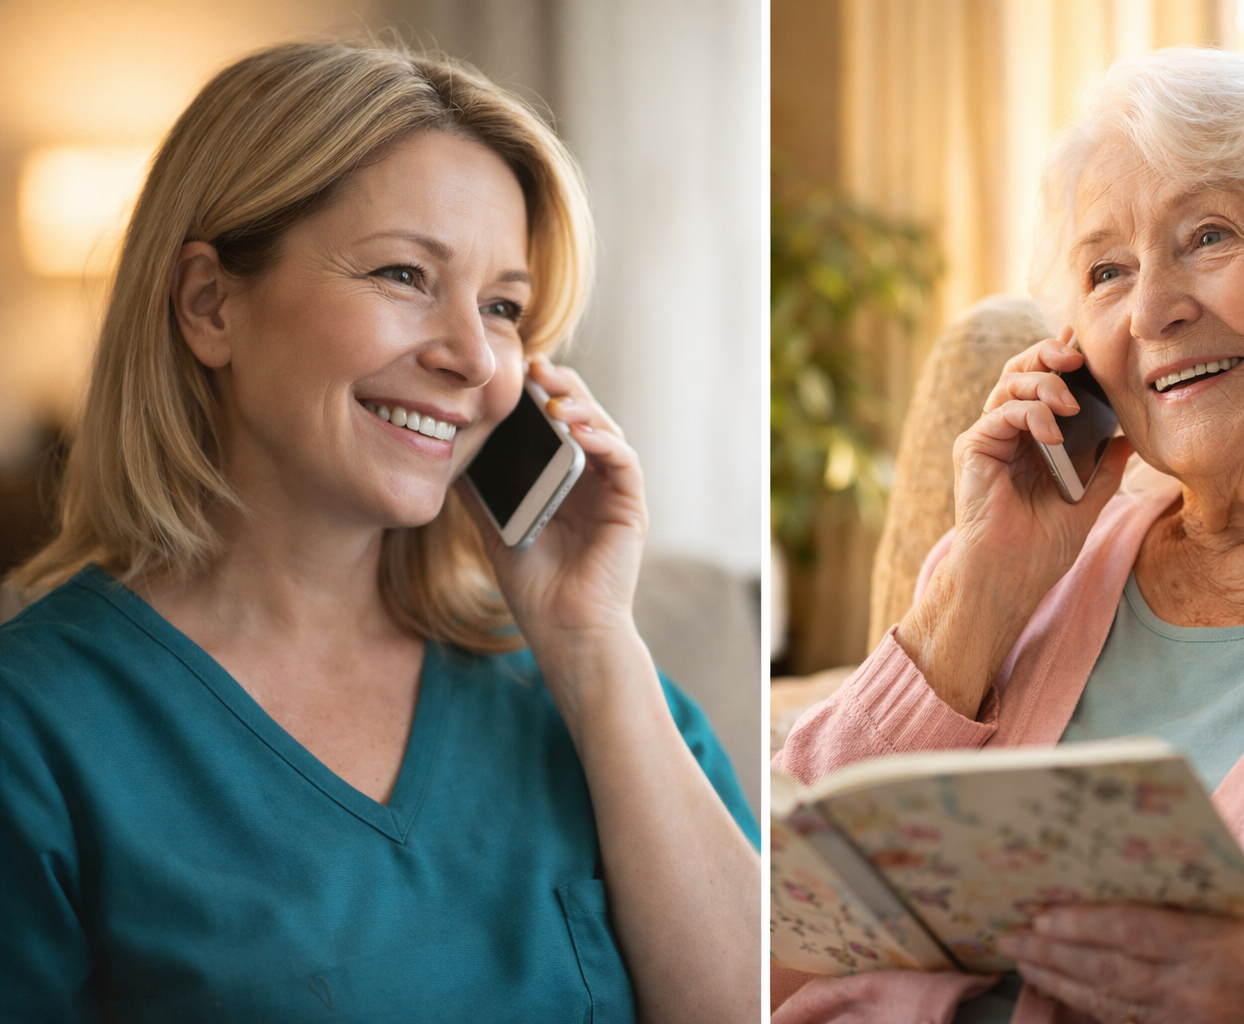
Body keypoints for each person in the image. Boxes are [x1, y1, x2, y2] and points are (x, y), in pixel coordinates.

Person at [773, 47, 1244, 1024]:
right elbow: (773, 949)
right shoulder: (1012, 572)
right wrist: (976, 591)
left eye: (1208, 234)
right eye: (1108, 270)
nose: (1150, 310)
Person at [0, 42, 758, 1024]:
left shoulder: (582, 680)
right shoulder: (39, 729)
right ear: (209, 303)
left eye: (503, 306)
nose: (475, 358)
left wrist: (592, 643)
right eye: (405, 273)